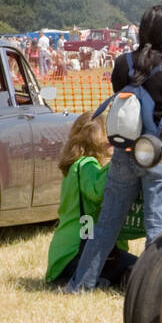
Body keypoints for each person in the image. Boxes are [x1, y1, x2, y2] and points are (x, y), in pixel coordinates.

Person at [65, 5, 162, 293]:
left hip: (124, 152)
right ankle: (153, 291)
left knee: (106, 225)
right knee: (157, 226)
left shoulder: (122, 64)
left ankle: (81, 285)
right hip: (157, 152)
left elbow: (130, 96)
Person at [45, 113, 138, 288]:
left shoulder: (81, 166)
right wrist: (121, 160)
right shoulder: (85, 164)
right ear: (93, 138)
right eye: (108, 135)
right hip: (76, 255)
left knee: (134, 268)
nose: (114, 139)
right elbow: (96, 191)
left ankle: (108, 280)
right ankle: (108, 281)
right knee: (143, 269)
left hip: (68, 258)